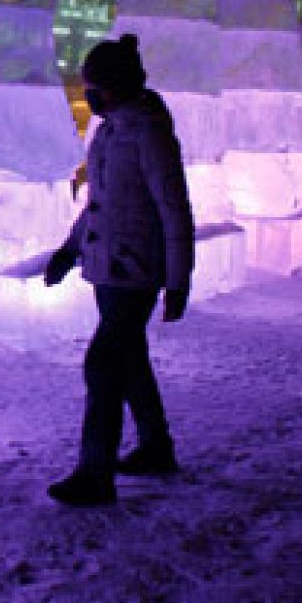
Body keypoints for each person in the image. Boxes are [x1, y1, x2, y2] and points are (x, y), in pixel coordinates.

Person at [43, 33, 194, 506]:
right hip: (106, 265)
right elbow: (99, 202)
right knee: (129, 359)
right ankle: (155, 447)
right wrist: (69, 251)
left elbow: (174, 210)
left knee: (104, 363)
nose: (88, 94)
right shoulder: (109, 131)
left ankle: (95, 473)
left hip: (136, 268)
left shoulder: (148, 132)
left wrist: (178, 279)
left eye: (94, 86)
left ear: (115, 85)